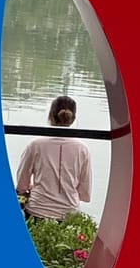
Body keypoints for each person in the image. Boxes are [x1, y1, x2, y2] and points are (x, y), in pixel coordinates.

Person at [17, 94, 94, 222]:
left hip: (37, 212)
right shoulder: (83, 149)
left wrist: (33, 187)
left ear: (50, 116)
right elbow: (85, 193)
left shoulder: (35, 145)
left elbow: (21, 186)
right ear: (73, 119)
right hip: (69, 215)